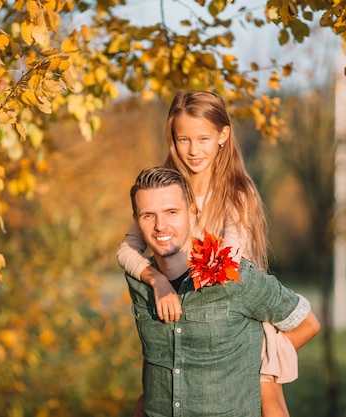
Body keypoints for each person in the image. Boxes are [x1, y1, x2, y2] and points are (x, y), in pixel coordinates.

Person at [117, 90, 297, 416]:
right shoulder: (165, 189)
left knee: (268, 401)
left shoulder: (237, 194)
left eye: (203, 138)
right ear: (172, 138)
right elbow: (127, 249)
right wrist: (155, 278)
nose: (193, 150)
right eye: (183, 139)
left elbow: (225, 267)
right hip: (187, 321)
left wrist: (255, 363)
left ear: (223, 135)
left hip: (232, 317)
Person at [125, 167, 320, 417]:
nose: (160, 226)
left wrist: (262, 373)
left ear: (191, 213)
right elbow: (154, 366)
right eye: (148, 216)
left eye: (171, 212)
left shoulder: (234, 277)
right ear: (136, 219)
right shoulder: (139, 283)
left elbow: (307, 323)